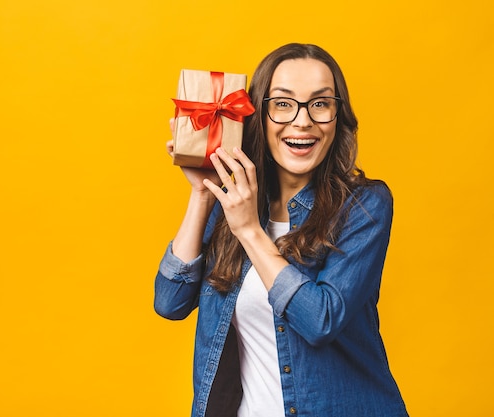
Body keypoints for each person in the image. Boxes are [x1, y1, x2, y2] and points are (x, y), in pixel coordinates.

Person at [154, 43, 409, 417]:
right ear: (260, 116)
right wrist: (202, 193)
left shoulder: (364, 206)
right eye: (284, 104)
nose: (302, 121)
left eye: (320, 104)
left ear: (338, 117)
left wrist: (251, 231)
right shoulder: (236, 202)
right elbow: (169, 302)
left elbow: (320, 320)